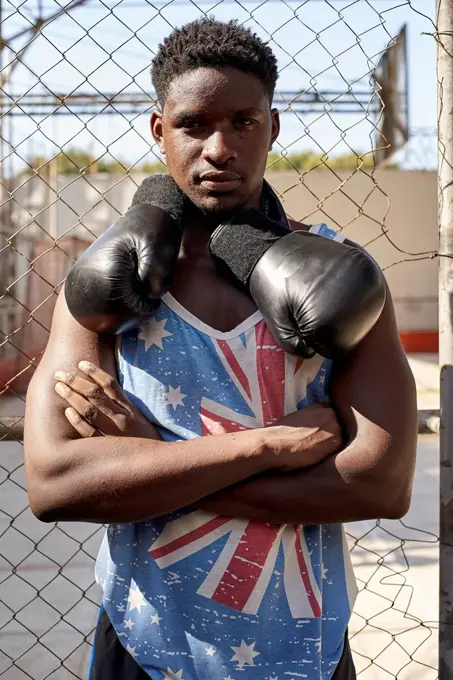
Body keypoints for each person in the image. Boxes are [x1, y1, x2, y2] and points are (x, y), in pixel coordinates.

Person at [24, 17, 418, 680]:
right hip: (142, 637)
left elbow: (380, 483)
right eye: (194, 124)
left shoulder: (343, 278)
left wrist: (150, 462)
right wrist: (262, 447)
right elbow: (57, 482)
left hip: (304, 643)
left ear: (273, 127)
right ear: (159, 130)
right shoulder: (102, 284)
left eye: (243, 122)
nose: (219, 148)